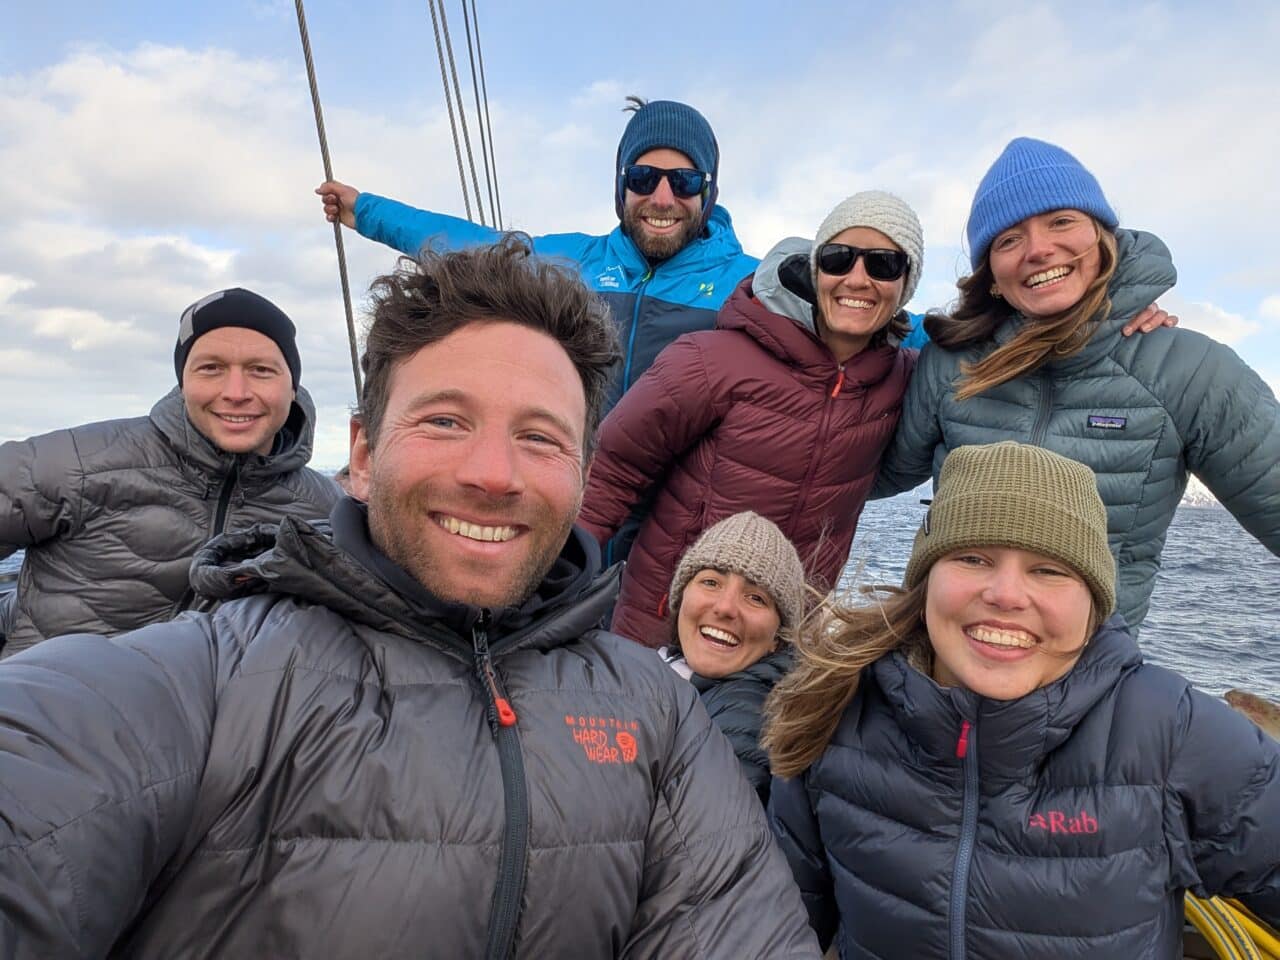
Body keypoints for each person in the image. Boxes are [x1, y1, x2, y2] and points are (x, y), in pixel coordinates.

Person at [0, 238, 819, 959]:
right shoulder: (210, 679)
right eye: (445, 421)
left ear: (582, 473)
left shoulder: (655, 713)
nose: (492, 474)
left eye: (539, 437)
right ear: (361, 455)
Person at [765, 441, 1280, 959]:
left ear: (1093, 600)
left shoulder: (1171, 732)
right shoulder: (837, 709)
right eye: (972, 558)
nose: (1006, 594)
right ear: (926, 579)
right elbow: (777, 924)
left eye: (1048, 569)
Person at [874, 137, 1280, 631]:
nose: (1039, 249)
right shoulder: (949, 364)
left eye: (1061, 221)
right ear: (992, 275)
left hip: (1084, 663)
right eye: (1008, 240)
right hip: (948, 646)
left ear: (1103, 238)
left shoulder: (1189, 371)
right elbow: (863, 475)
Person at [579, 191, 922, 646]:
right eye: (838, 259)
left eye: (883, 265)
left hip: (782, 639)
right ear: (816, 269)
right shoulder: (710, 359)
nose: (857, 279)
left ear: (907, 284)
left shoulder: (902, 381)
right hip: (665, 625)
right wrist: (555, 582)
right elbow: (613, 468)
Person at [317, 97, 769, 415]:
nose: (663, 198)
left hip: (681, 517)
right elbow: (467, 244)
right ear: (622, 186)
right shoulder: (578, 263)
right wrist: (367, 211)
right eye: (643, 178)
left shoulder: (753, 285)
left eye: (685, 181)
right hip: (577, 505)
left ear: (707, 192)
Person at [0, 287, 338, 656]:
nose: (236, 392)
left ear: (292, 387)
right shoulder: (75, 463)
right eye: (211, 368)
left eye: (261, 370)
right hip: (52, 690)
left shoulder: (326, 510)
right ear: (183, 382)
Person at [659, 511, 806, 805]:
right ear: (681, 596)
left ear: (778, 638)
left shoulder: (745, 716)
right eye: (711, 582)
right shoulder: (665, 672)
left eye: (755, 597)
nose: (725, 607)